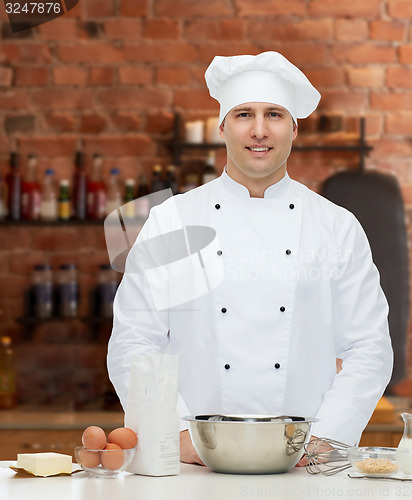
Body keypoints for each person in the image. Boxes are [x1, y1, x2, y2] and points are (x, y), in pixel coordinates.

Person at [107, 51, 393, 467]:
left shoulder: (336, 227)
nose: (259, 131)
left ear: (294, 127)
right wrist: (180, 435)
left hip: (304, 470)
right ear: (222, 126)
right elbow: (135, 342)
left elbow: (370, 348)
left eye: (274, 114)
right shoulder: (174, 222)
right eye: (244, 114)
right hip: (196, 468)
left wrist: (324, 440)